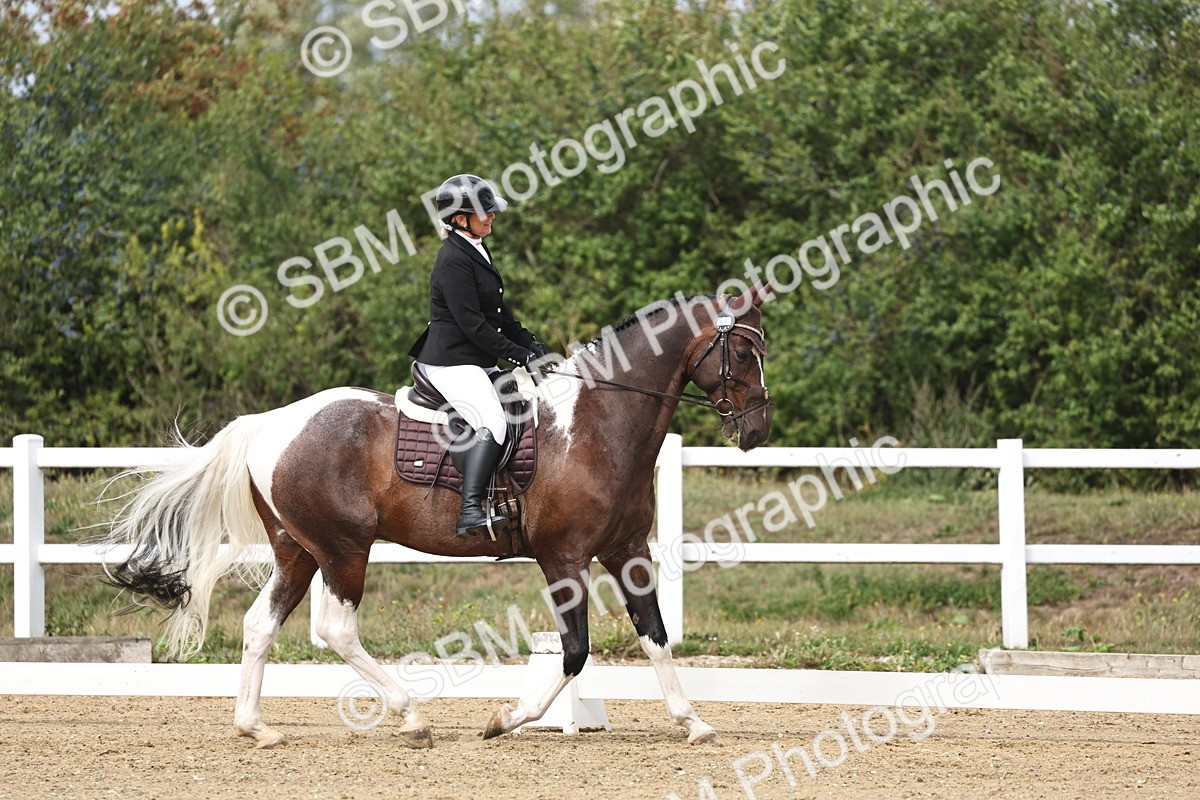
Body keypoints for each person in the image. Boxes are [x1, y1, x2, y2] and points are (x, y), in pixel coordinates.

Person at [408, 174, 549, 538]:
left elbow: (498, 315)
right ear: (460, 219)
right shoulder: (453, 260)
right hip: (451, 361)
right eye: (484, 211)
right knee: (494, 420)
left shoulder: (476, 248)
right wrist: (518, 357)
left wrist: (532, 345)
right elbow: (474, 326)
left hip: (474, 357)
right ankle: (470, 510)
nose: (491, 217)